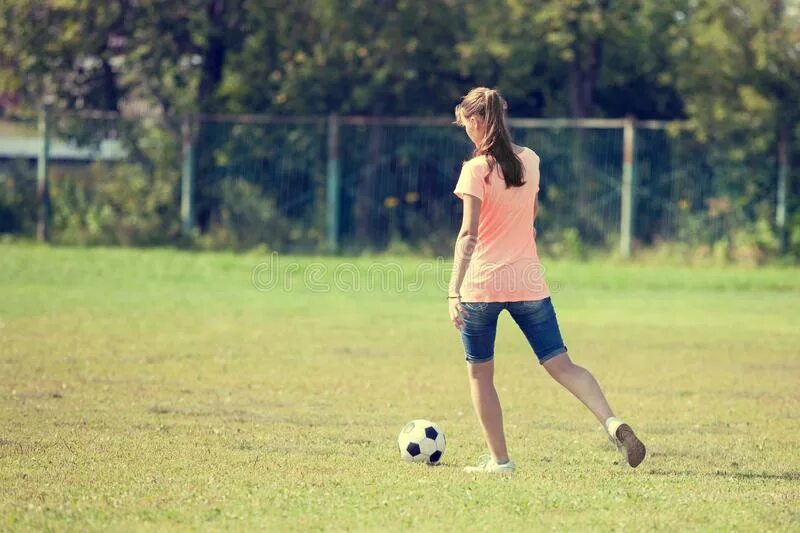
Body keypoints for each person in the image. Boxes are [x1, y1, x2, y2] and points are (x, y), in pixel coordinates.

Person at [447, 87, 646, 474]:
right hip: (527, 280)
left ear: (475, 121)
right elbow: (531, 214)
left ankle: (500, 461)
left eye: (465, 124)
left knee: (480, 374)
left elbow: (468, 234)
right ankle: (611, 421)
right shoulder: (531, 161)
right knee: (563, 365)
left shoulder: (475, 170)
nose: (466, 131)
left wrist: (453, 290)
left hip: (482, 285)